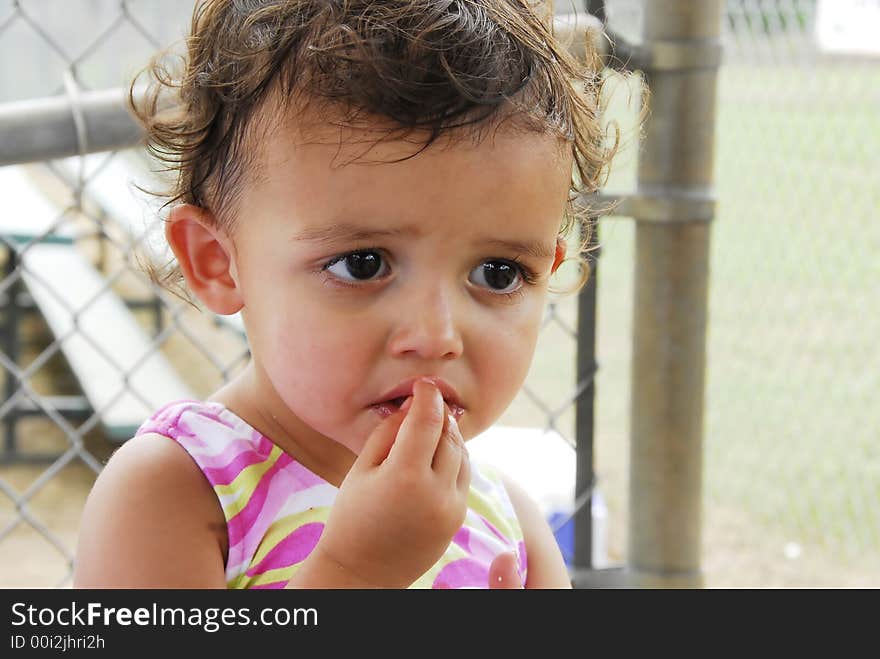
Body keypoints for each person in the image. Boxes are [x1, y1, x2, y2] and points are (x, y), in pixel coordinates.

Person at [74, 0, 614, 589]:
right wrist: (356, 574)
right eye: (363, 264)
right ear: (220, 263)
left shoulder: (506, 521)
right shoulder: (175, 494)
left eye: (499, 273)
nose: (437, 336)